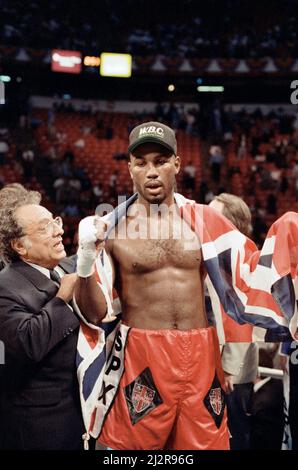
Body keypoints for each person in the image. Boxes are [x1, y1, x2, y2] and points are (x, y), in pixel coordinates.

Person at [74, 121, 298, 450]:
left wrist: (289, 235)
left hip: (202, 355)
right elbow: (94, 314)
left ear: (177, 163)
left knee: (207, 446)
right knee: (132, 452)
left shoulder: (207, 221)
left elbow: (252, 277)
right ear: (130, 168)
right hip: (142, 356)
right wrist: (83, 259)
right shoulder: (111, 231)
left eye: (161, 161)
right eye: (142, 163)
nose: (152, 171)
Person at [0, 184, 85, 450]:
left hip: (74, 418)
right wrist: (61, 299)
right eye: (44, 227)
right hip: (38, 429)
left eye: (55, 221)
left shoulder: (59, 269)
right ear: (19, 246)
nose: (59, 230)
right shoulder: (5, 285)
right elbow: (26, 342)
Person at [209, 193, 259, 450]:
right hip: (218, 364)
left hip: (232, 370)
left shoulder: (240, 254)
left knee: (234, 433)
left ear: (231, 223)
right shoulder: (216, 253)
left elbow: (241, 317)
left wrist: (229, 368)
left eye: (212, 215)